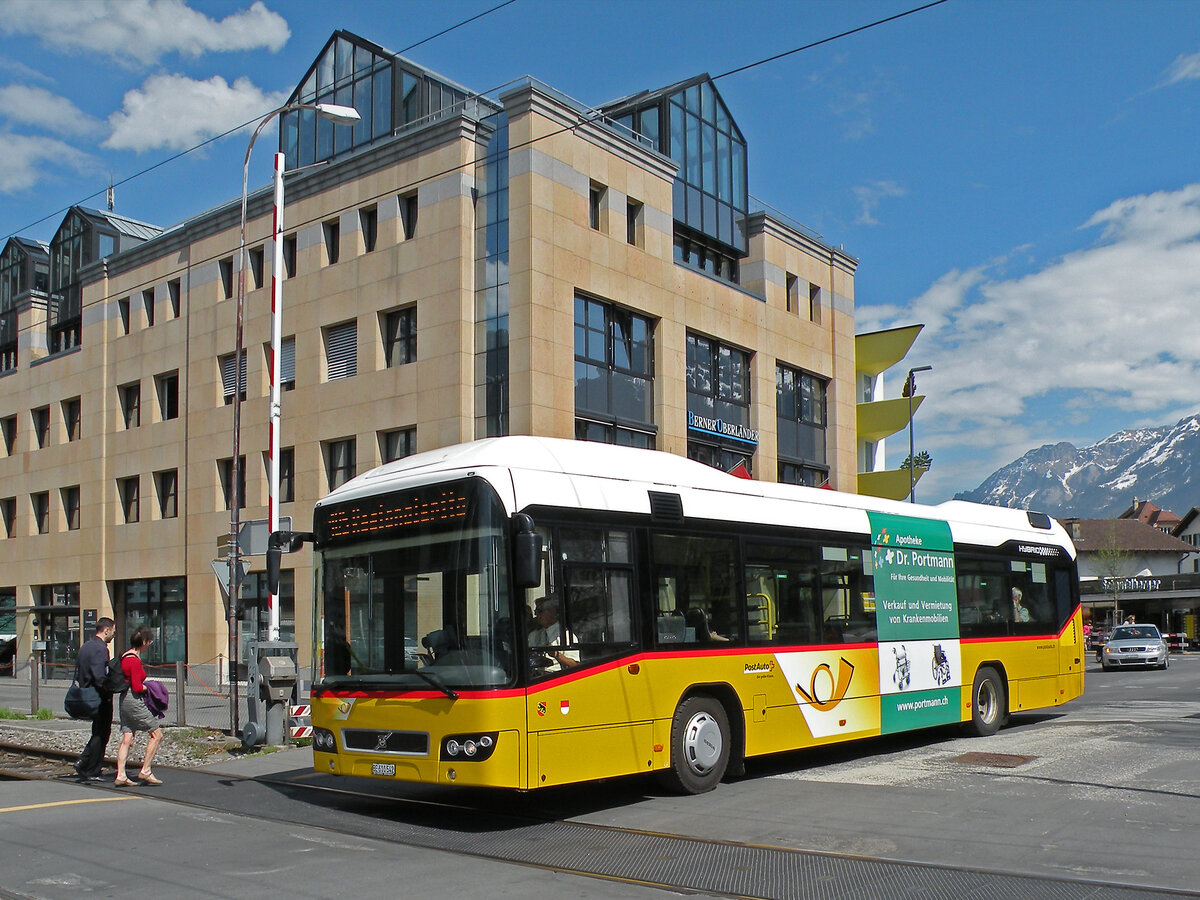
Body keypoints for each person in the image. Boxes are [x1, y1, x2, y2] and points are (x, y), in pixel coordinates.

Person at [114, 626, 164, 786]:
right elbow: (136, 686)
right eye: (148, 641)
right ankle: (146, 770)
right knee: (157, 735)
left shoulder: (124, 656)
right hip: (134, 699)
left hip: (123, 700)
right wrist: (151, 687)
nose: (149, 644)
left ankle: (121, 774)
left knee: (127, 737)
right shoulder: (134, 660)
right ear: (143, 642)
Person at [73, 617, 116, 781]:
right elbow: (100, 676)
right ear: (106, 630)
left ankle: (84, 761)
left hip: (87, 694)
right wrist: (109, 688)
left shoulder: (86, 646)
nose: (113, 635)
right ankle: (91, 768)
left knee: (97, 731)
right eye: (113, 631)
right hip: (99, 697)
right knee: (102, 733)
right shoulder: (100, 649)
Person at [527, 596, 579, 669]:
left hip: (556, 676)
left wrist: (557, 655)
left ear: (552, 612)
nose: (536, 615)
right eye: (535, 611)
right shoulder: (533, 635)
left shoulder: (566, 635)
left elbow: (574, 665)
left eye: (540, 611)